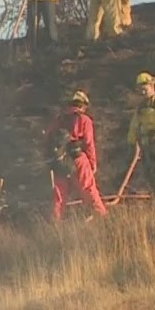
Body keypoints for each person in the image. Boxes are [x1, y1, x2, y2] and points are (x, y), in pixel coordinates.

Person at [45, 90, 108, 221]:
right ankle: (102, 219)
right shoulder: (84, 120)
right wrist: (92, 164)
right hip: (78, 159)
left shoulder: (58, 120)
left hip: (60, 161)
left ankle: (56, 224)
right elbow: (89, 143)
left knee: (59, 195)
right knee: (89, 190)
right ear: (83, 105)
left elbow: (47, 139)